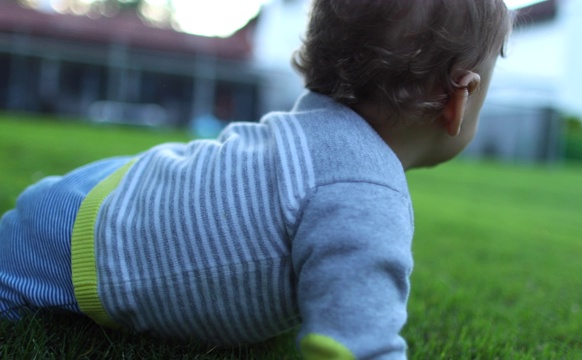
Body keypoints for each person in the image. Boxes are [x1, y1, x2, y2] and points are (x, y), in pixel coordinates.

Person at [0, 0, 512, 358]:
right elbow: (358, 344)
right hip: (77, 241)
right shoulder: (366, 194)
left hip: (107, 195)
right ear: (458, 99)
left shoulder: (311, 125)